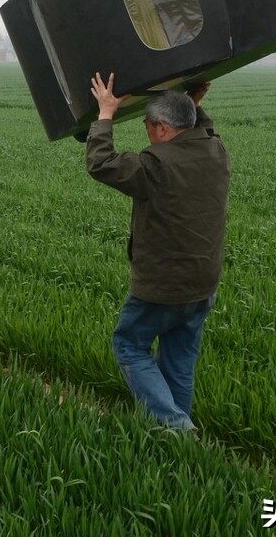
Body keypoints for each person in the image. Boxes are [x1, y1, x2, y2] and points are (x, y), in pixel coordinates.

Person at [86, 72, 231, 432]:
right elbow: (203, 128)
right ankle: (179, 437)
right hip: (204, 284)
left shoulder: (156, 167)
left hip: (164, 287)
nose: (147, 133)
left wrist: (105, 114)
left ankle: (176, 428)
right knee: (178, 359)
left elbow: (101, 163)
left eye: (149, 126)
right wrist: (192, 104)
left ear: (163, 129)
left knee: (129, 344)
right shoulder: (217, 151)